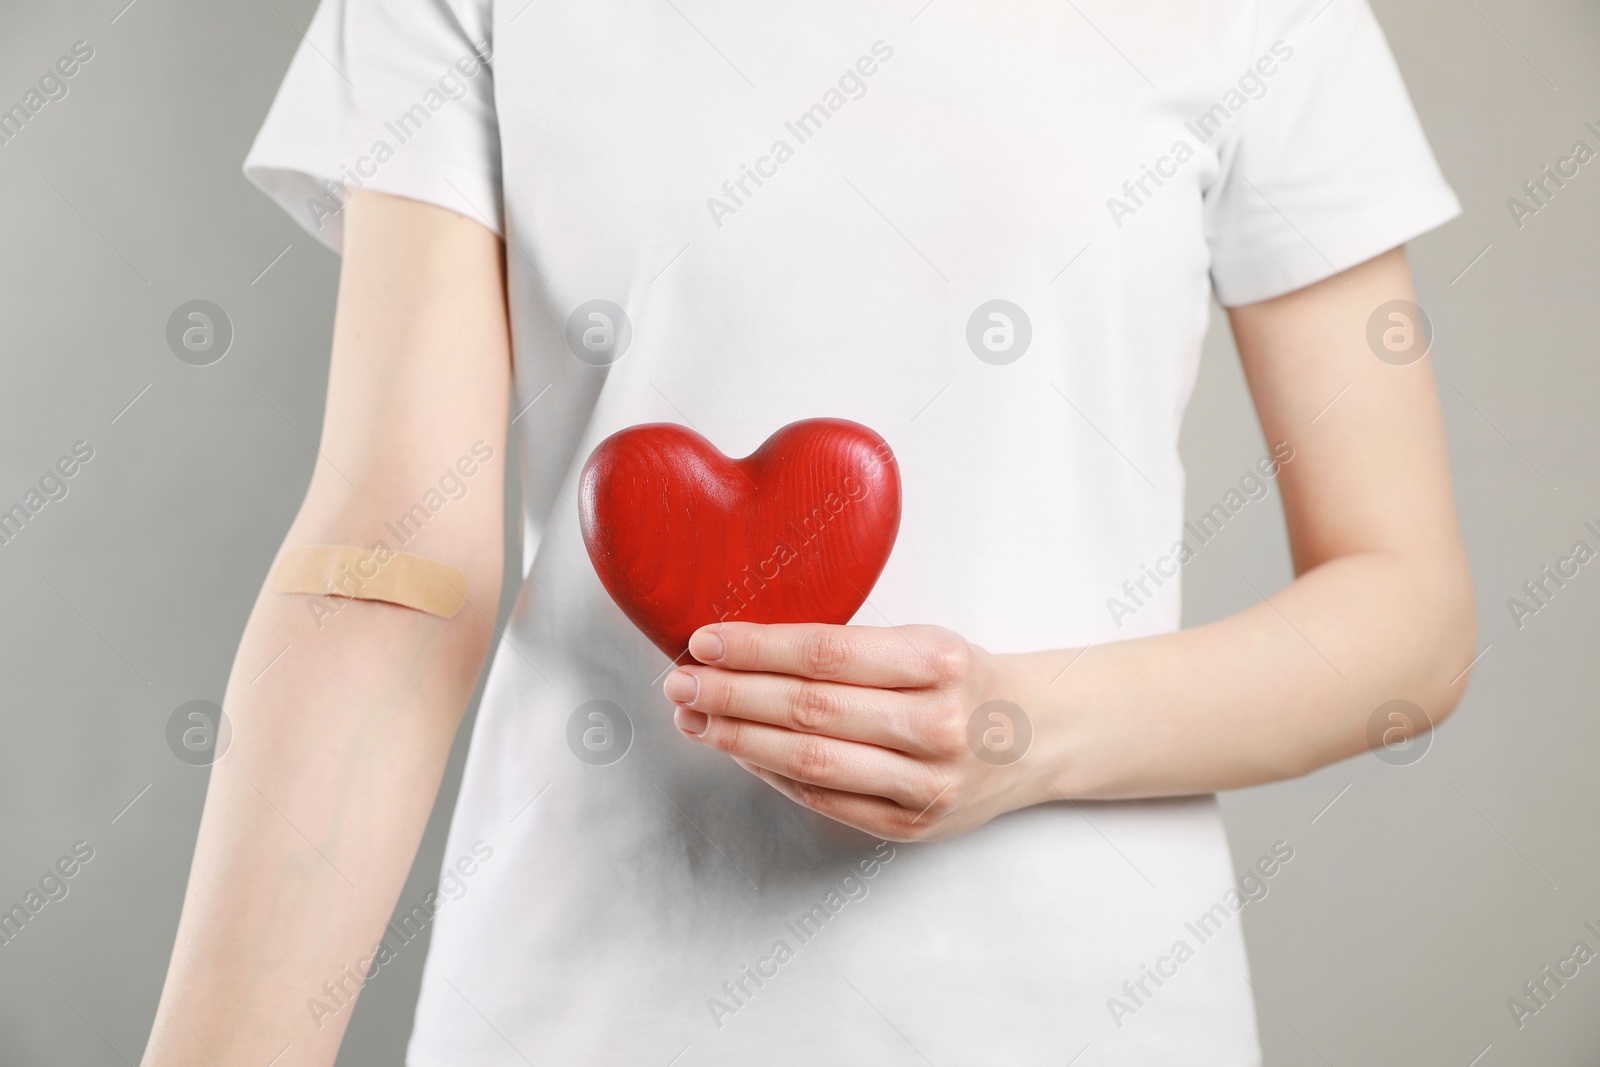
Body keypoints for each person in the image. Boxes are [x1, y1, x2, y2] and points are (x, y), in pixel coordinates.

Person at [141, 0, 1475, 1063]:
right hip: (568, 1016)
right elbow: (388, 575)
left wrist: (1024, 728)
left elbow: (1405, 611)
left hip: (1086, 1019)